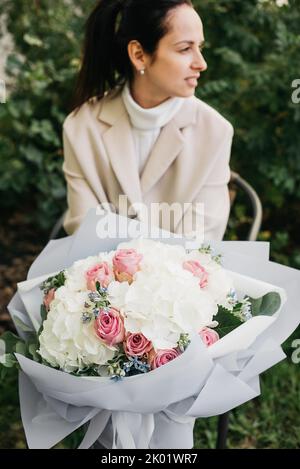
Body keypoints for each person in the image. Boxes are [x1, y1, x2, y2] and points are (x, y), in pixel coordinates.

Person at [62, 0, 234, 241]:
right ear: (139, 55)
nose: (201, 63)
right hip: (103, 275)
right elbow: (86, 229)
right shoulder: (81, 126)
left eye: (200, 48)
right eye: (185, 49)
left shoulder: (216, 132)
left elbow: (200, 241)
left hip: (179, 276)